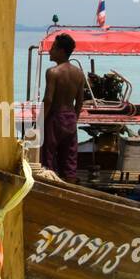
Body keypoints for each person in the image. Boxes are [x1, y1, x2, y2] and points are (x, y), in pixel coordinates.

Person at [40, 33, 84, 182]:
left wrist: (39, 122)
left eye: (53, 48)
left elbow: (48, 99)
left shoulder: (52, 72)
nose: (49, 51)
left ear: (62, 51)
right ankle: (70, 188)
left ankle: (50, 187)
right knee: (69, 159)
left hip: (55, 117)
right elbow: (80, 102)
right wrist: (74, 120)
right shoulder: (79, 74)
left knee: (48, 157)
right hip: (71, 117)